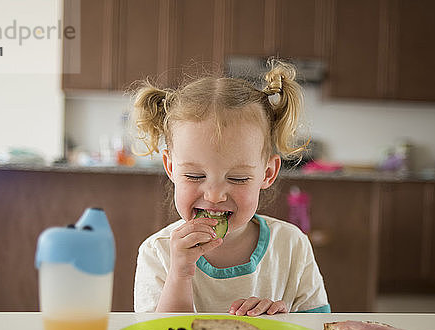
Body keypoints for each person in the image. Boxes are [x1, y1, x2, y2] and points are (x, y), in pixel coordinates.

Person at [132, 60, 330, 315]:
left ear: (267, 173)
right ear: (171, 168)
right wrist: (180, 274)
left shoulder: (292, 245)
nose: (214, 195)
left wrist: (283, 323)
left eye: (237, 178)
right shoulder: (157, 251)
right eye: (194, 175)